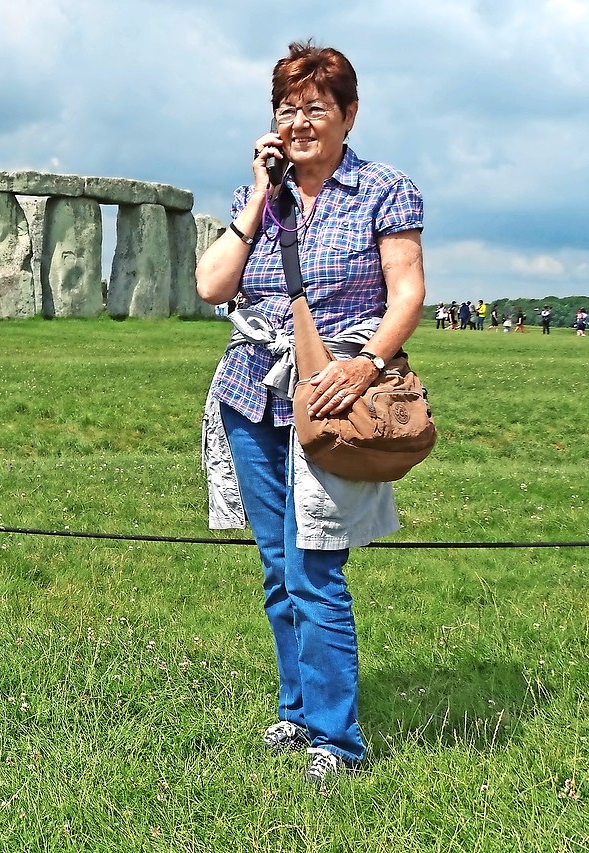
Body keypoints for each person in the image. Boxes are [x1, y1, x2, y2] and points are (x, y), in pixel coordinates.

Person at [196, 41, 424, 785]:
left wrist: (366, 365)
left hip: (330, 397)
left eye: (314, 107)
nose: (298, 121)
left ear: (349, 114)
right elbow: (211, 284)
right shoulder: (265, 193)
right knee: (275, 569)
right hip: (249, 389)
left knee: (315, 568)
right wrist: (260, 195)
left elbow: (407, 293)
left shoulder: (384, 188)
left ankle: (338, 739)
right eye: (286, 108)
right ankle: (297, 715)